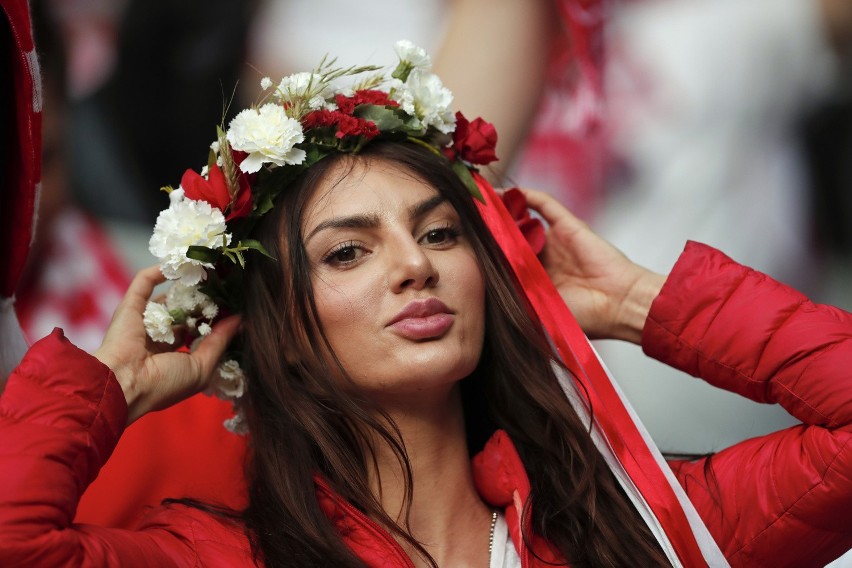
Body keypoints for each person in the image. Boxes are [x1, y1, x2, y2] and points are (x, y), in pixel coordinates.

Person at [0, 43, 850, 567]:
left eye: (442, 235)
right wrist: (105, 386)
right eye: (348, 251)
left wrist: (637, 301)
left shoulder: (642, 529)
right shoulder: (225, 559)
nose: (415, 265)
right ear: (276, 335)